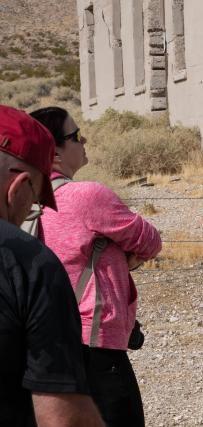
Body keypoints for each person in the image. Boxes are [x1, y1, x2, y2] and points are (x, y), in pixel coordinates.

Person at [29, 106, 162, 427]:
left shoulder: (25, 201)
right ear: (55, 153)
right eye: (75, 135)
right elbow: (150, 241)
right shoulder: (88, 196)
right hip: (94, 342)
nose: (84, 139)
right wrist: (122, 255)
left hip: (42, 343)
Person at [0, 105, 105, 426]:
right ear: (18, 187)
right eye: (34, 198)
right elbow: (64, 418)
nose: (31, 209)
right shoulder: (28, 264)